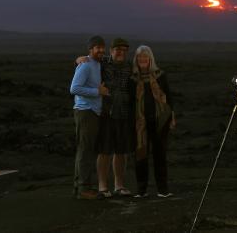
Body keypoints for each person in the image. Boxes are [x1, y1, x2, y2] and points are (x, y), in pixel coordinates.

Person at [78, 37, 135, 198]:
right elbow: (87, 62)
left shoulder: (130, 66)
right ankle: (102, 186)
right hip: (106, 113)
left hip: (124, 113)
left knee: (121, 151)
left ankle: (119, 185)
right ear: (111, 51)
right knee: (104, 150)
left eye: (124, 50)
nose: (121, 53)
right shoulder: (103, 63)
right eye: (118, 50)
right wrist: (78, 60)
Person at [131, 45, 175, 198]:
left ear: (151, 59)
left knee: (160, 155)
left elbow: (168, 97)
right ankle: (141, 190)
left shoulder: (160, 75)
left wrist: (172, 117)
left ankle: (162, 190)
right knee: (140, 155)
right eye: (140, 57)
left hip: (160, 121)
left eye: (145, 57)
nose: (142, 59)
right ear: (136, 60)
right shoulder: (133, 78)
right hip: (139, 123)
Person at [70, 35, 110, 200]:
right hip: (85, 111)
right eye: (97, 47)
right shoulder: (86, 65)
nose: (100, 50)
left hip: (93, 112)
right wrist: (96, 92)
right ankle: (83, 189)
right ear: (90, 49)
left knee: (86, 150)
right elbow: (74, 88)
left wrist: (75, 60)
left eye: (102, 47)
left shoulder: (98, 63)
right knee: (85, 150)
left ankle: (81, 187)